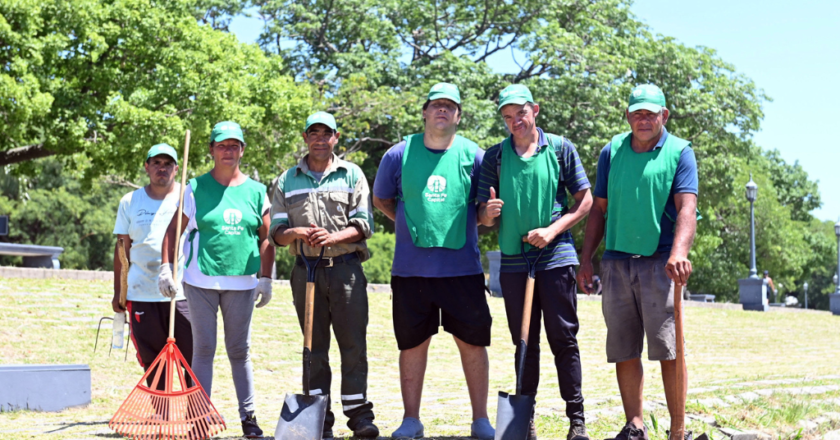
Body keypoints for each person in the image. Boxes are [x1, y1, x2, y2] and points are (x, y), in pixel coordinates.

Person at [373, 83, 495, 440]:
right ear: (424, 112)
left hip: (463, 270)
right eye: (436, 105)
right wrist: (413, 225)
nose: (442, 110)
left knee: (473, 343)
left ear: (458, 115)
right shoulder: (398, 154)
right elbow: (382, 199)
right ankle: (411, 420)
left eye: (450, 106)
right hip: (411, 272)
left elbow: (484, 213)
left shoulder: (475, 155)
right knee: (412, 345)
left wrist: (484, 216)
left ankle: (481, 420)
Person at [577, 84, 698, 440]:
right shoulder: (611, 151)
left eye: (651, 113)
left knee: (668, 350)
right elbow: (598, 209)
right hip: (616, 262)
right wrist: (587, 259)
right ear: (628, 116)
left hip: (660, 262)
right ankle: (635, 425)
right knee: (623, 348)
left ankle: (678, 431)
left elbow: (687, 208)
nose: (643, 120)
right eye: (637, 113)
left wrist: (679, 253)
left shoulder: (679, 152)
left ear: (665, 115)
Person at [477, 84, 593, 440]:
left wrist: (553, 229)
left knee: (564, 338)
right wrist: (488, 213)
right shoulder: (494, 158)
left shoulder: (560, 148)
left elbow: (585, 200)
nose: (515, 122)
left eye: (520, 114)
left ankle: (576, 420)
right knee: (524, 341)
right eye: (508, 117)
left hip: (555, 257)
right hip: (514, 262)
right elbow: (482, 218)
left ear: (535, 110)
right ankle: (524, 421)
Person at [159, 121, 275, 439]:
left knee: (239, 350)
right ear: (211, 149)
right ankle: (199, 418)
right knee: (204, 348)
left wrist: (266, 277)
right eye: (222, 145)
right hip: (201, 281)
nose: (228, 151)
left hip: (242, 283)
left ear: (242, 150)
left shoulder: (256, 191)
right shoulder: (194, 188)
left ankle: (249, 418)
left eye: (234, 145)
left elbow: (267, 238)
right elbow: (172, 232)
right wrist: (166, 269)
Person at [268, 111, 378, 439]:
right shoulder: (287, 179)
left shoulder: (352, 174)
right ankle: (319, 418)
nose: (319, 138)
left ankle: (359, 416)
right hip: (306, 273)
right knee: (313, 347)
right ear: (305, 138)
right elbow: (276, 231)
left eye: (325, 133)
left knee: (353, 345)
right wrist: (297, 232)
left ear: (335, 138)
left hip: (346, 272)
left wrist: (333, 238)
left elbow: (364, 225)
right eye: (312, 133)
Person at [113, 143, 192, 390]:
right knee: (153, 359)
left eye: (168, 164)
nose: (162, 168)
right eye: (156, 163)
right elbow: (122, 251)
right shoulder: (130, 201)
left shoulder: (188, 198)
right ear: (146, 167)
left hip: (183, 294)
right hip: (141, 291)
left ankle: (196, 410)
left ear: (177, 169)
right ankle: (162, 412)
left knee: (193, 355)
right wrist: (119, 292)